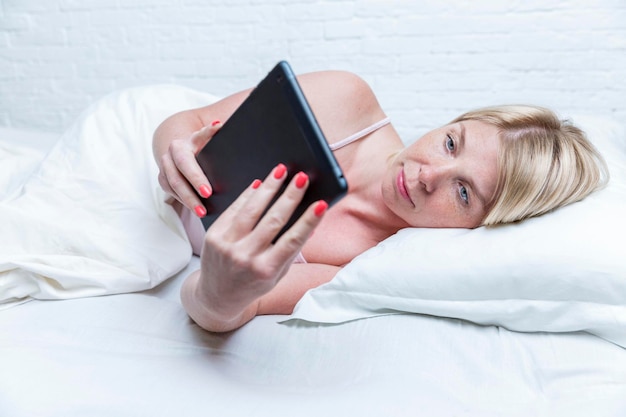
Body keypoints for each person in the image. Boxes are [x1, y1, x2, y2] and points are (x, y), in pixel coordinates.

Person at [153, 70, 608, 333]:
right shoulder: (346, 101)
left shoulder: (368, 264)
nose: (428, 174)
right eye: (451, 143)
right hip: (141, 171)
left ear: (485, 227)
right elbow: (189, 119)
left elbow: (226, 309)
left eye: (464, 192)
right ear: (452, 122)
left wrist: (217, 291)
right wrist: (177, 154)